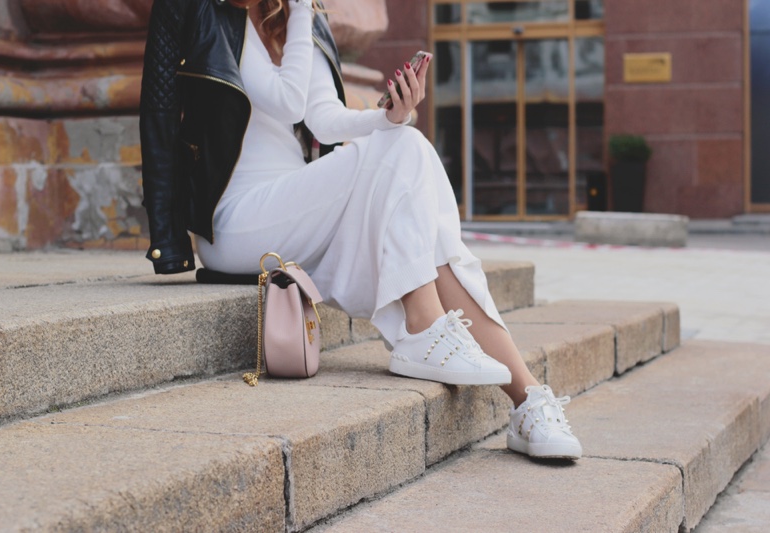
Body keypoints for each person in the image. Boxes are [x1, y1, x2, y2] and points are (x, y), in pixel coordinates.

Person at [139, 0, 582, 460]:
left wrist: (387, 117)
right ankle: (425, 329)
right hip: (235, 219)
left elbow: (323, 117)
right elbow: (177, 110)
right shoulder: (202, 8)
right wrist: (168, 244)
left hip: (298, 208)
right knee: (405, 151)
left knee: (416, 179)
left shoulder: (295, 16)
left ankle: (529, 401)